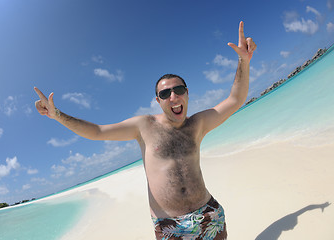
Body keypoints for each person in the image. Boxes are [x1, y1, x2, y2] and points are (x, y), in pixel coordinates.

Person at [34, 21, 256, 240]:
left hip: (209, 214)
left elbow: (235, 100)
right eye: (165, 94)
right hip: (171, 227)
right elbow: (98, 132)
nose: (173, 97)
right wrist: (57, 115)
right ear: (158, 101)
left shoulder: (197, 124)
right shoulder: (144, 126)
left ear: (187, 93)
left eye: (178, 90)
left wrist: (243, 61)